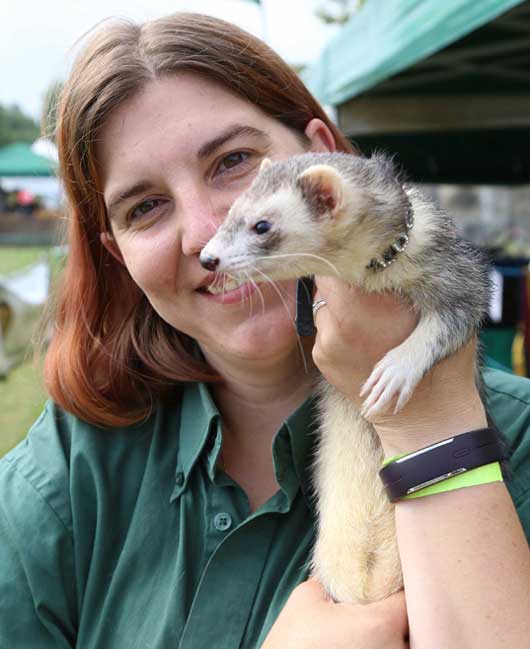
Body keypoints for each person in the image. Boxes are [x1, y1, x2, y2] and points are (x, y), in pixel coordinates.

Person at [0, 12, 529, 649]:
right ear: (118, 253)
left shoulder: (515, 438)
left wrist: (432, 422)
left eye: (234, 162)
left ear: (324, 169)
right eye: (146, 207)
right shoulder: (64, 474)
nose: (205, 238)